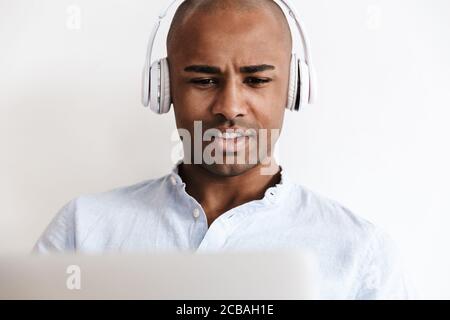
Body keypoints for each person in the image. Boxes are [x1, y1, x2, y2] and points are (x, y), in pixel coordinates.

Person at [34, 0, 414, 299]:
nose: (229, 106)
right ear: (163, 88)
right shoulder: (82, 230)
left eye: (257, 79)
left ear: (293, 88)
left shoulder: (361, 254)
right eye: (203, 80)